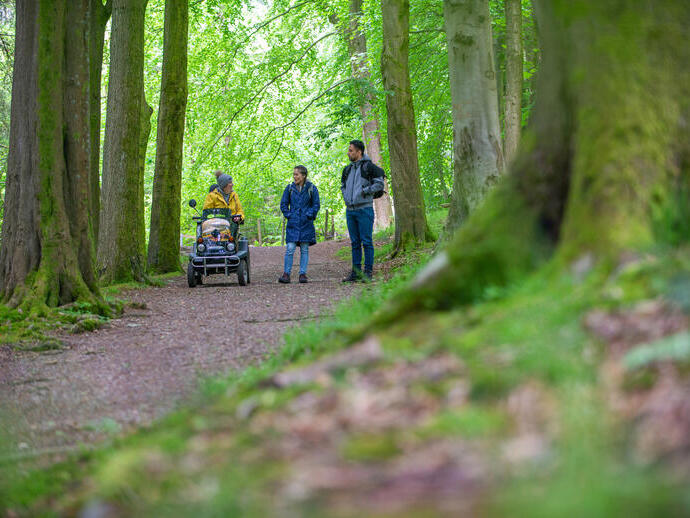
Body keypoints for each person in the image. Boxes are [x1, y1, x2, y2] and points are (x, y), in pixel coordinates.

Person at [341, 139, 385, 282]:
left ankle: (367, 273)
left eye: (351, 150)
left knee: (366, 241)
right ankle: (355, 273)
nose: (348, 153)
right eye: (349, 150)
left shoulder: (369, 167)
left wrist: (365, 191)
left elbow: (379, 184)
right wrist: (346, 197)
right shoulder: (347, 169)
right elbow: (343, 186)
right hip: (350, 211)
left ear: (359, 152)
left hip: (364, 209)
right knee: (354, 243)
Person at [278, 165, 320, 284]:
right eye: (294, 174)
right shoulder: (289, 188)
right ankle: (286, 274)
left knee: (304, 249)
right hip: (293, 223)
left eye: (297, 174)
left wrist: (309, 214)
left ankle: (302, 274)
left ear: (303, 175)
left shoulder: (312, 188)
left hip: (306, 223)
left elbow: (316, 204)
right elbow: (283, 204)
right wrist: (289, 215)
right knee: (290, 249)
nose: (294, 176)